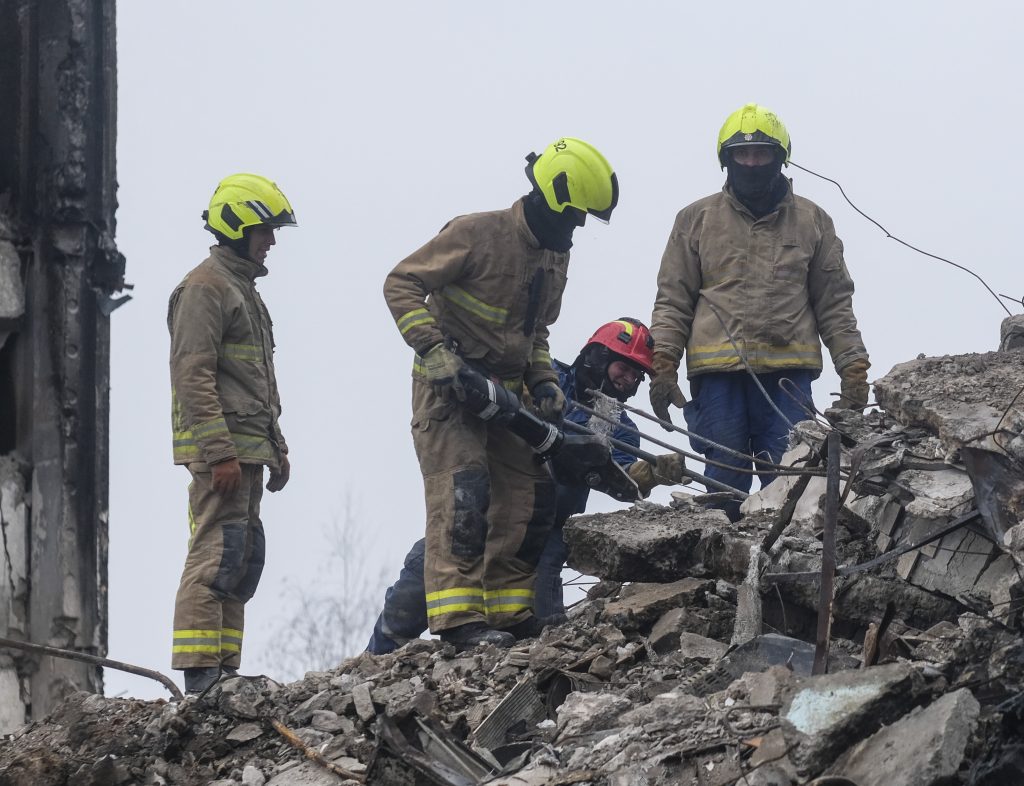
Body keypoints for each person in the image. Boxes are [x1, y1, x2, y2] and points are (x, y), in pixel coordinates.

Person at [382, 138, 619, 649]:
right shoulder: (476, 233)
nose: (577, 228)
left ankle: (510, 611)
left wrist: (544, 381)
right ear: (551, 197)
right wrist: (432, 348)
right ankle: (458, 619)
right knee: (464, 495)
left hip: (508, 397)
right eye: (575, 215)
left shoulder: (554, 257)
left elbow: (536, 332)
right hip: (450, 392)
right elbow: (401, 282)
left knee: (528, 499)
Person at [366, 318, 686, 654]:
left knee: (539, 632)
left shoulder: (621, 428)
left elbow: (621, 479)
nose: (629, 380)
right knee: (412, 598)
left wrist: (653, 473)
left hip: (543, 536)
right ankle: (373, 662)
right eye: (624, 368)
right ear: (597, 356)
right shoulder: (544, 382)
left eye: (637, 376)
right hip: (484, 510)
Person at [649, 103, 870, 521]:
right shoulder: (695, 220)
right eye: (742, 154)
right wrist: (662, 364)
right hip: (717, 380)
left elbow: (835, 303)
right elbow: (673, 299)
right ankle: (721, 561)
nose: (751, 163)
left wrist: (853, 369)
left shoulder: (813, 221)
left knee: (791, 487)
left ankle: (781, 562)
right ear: (726, 159)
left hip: (787, 379)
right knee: (723, 489)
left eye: (761, 153)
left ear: (780, 157)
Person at [167, 173, 296, 694]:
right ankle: (201, 673)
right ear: (238, 226)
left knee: (242, 558)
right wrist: (219, 452)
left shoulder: (242, 290)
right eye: (265, 230)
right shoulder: (205, 288)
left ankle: (224, 669)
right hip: (222, 452)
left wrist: (276, 447)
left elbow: (255, 380)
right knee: (216, 553)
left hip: (247, 449)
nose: (272, 241)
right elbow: (192, 375)